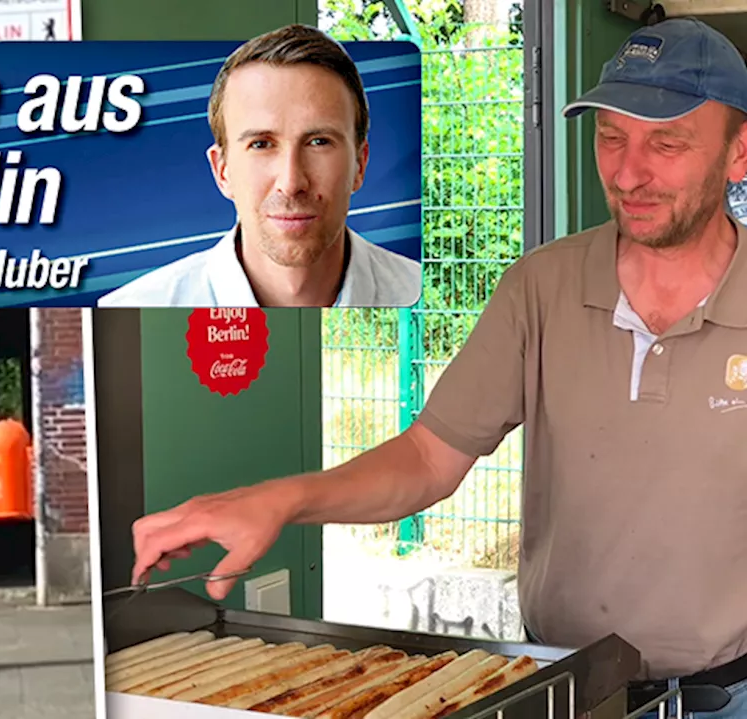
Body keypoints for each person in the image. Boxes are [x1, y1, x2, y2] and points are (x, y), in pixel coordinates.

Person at [130, 17, 747, 718]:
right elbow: (428, 455)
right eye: (611, 137)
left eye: (666, 143)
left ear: (739, 152)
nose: (630, 172)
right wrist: (282, 499)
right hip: (566, 688)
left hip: (729, 695)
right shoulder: (541, 287)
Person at [97, 24, 421, 309]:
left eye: (319, 141)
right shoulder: (131, 307)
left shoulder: (418, 293)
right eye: (261, 144)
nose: (291, 182)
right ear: (222, 171)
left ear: (360, 164)